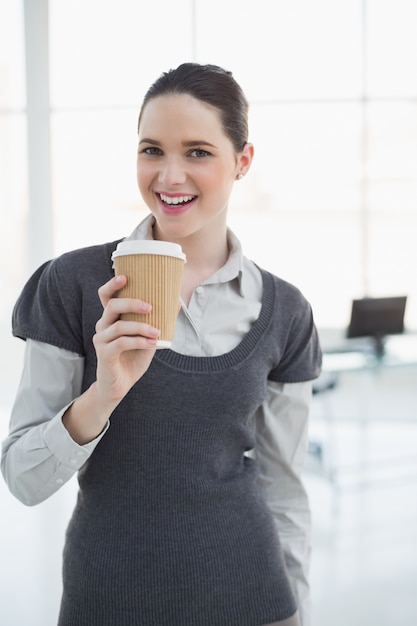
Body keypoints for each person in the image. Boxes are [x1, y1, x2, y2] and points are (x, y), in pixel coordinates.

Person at [1, 63, 321, 626]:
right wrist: (103, 395)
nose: (169, 176)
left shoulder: (285, 311)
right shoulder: (72, 285)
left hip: (255, 599)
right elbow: (23, 479)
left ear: (241, 162)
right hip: (110, 599)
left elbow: (285, 491)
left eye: (198, 151)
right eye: (152, 150)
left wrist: (301, 609)